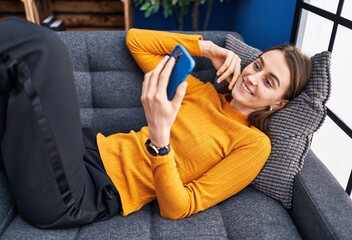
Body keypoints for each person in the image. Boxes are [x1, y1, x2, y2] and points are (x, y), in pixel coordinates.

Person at [0, 18, 312, 229]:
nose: (252, 77)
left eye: (269, 81)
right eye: (257, 65)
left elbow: (179, 208)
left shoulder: (254, 144)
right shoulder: (199, 90)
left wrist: (161, 143)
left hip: (84, 193)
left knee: (41, 47)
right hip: (84, 149)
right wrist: (205, 49)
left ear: (278, 103)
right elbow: (137, 41)